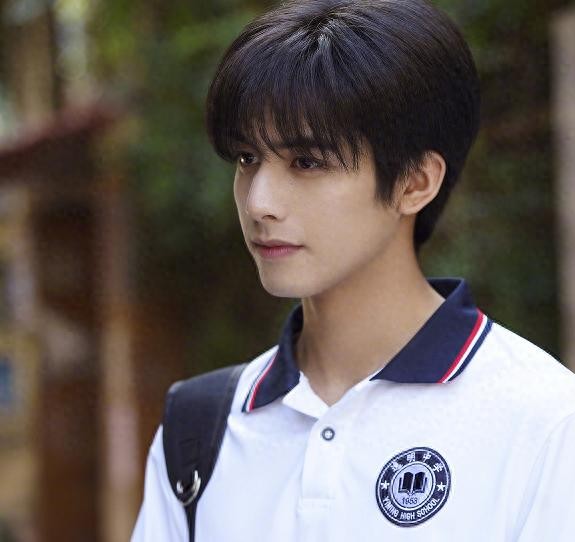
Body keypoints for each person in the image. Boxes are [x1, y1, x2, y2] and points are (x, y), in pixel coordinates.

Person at [132, 0, 575, 540]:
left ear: (415, 182)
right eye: (247, 159)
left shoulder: (544, 421)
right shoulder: (198, 430)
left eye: (307, 162)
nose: (259, 202)